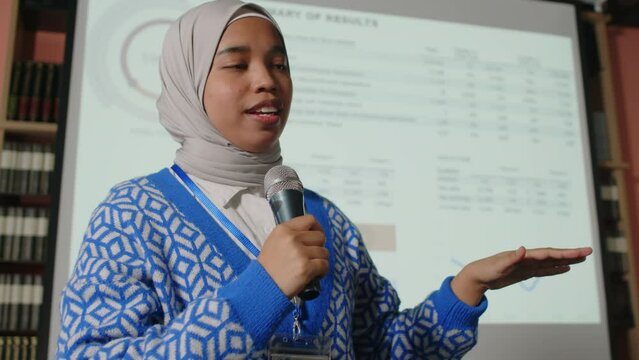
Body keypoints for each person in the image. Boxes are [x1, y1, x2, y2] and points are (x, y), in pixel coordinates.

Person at [56, 0, 593, 358]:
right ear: (188, 82)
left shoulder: (325, 217)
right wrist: (258, 293)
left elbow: (381, 348)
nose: (267, 81)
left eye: (280, 64)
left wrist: (464, 289)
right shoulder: (133, 211)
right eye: (237, 65)